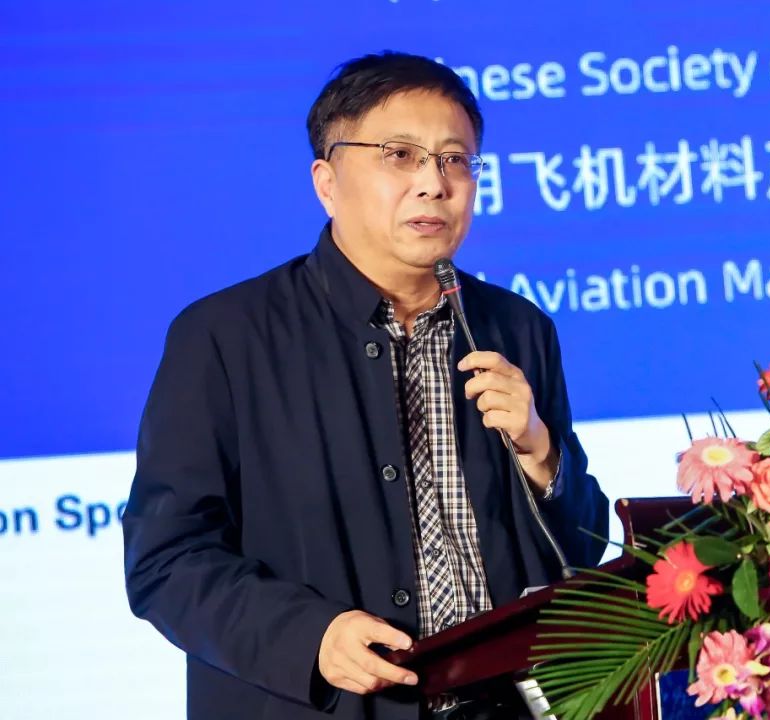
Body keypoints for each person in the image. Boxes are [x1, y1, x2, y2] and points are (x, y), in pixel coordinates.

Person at [121, 51, 609, 720]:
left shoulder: (516, 328)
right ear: (326, 182)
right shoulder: (224, 337)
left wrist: (540, 453)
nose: (434, 184)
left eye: (455, 160)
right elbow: (166, 560)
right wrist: (310, 638)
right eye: (400, 155)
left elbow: (579, 549)